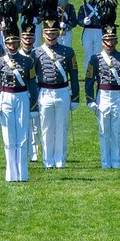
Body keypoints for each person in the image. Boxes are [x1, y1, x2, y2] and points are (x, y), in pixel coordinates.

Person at [82, 0, 120, 169]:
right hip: (102, 95)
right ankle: (105, 162)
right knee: (104, 131)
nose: (110, 43)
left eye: (112, 40)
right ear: (103, 41)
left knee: (117, 132)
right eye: (107, 40)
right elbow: (89, 80)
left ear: (116, 41)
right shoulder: (95, 59)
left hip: (118, 95)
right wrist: (90, 100)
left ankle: (117, 162)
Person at [0, 8, 38, 183]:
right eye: (9, 43)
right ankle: (11, 174)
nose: (12, 45)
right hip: (5, 98)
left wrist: (34, 107)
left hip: (22, 97)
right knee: (8, 137)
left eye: (15, 42)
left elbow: (32, 86)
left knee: (23, 136)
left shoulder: (28, 61)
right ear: (5, 43)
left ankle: (23, 174)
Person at [34, 11, 77, 169]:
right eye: (47, 33)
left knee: (61, 128)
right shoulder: (36, 52)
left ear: (58, 33)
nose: (51, 36)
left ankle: (60, 161)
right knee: (46, 128)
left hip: (62, 92)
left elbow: (73, 75)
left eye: (53, 33)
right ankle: (48, 161)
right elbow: (33, 78)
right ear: (43, 34)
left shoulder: (68, 52)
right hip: (44, 92)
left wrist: (76, 97)